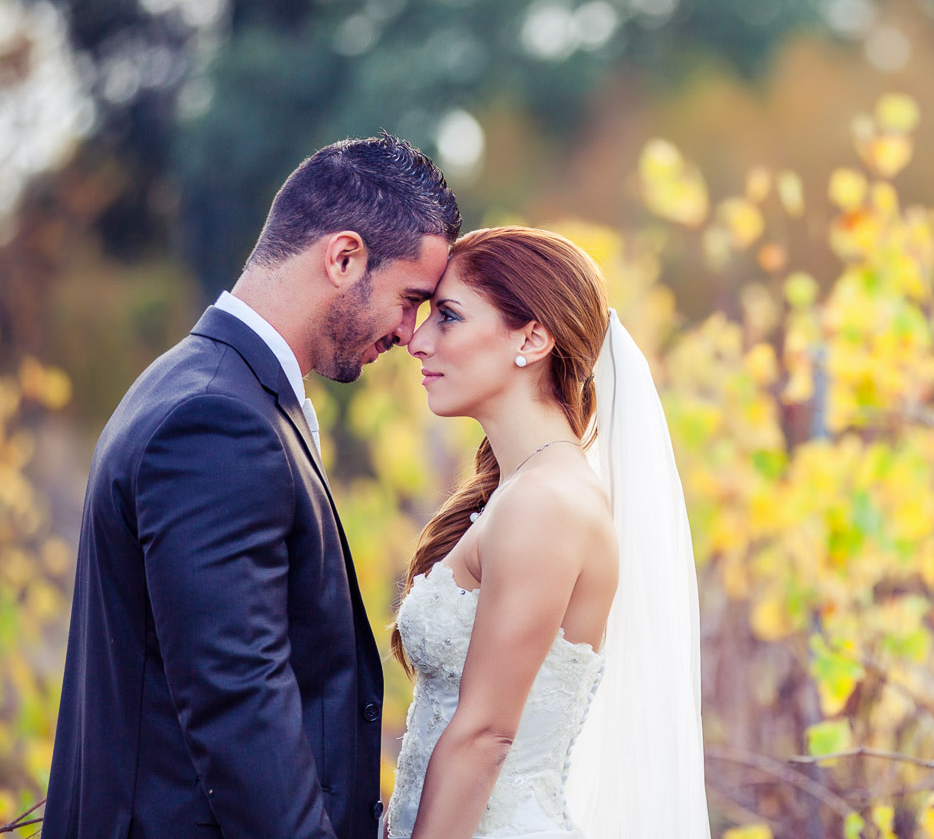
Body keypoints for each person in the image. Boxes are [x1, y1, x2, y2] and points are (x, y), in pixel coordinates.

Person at [44, 133, 461, 839]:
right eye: (410, 298)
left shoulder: (204, 385)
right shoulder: (214, 422)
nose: (410, 332)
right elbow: (239, 703)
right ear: (344, 257)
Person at [385, 226, 711, 839]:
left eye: (448, 317)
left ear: (532, 338)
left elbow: (485, 736)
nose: (418, 340)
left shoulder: (546, 504)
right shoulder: (522, 491)